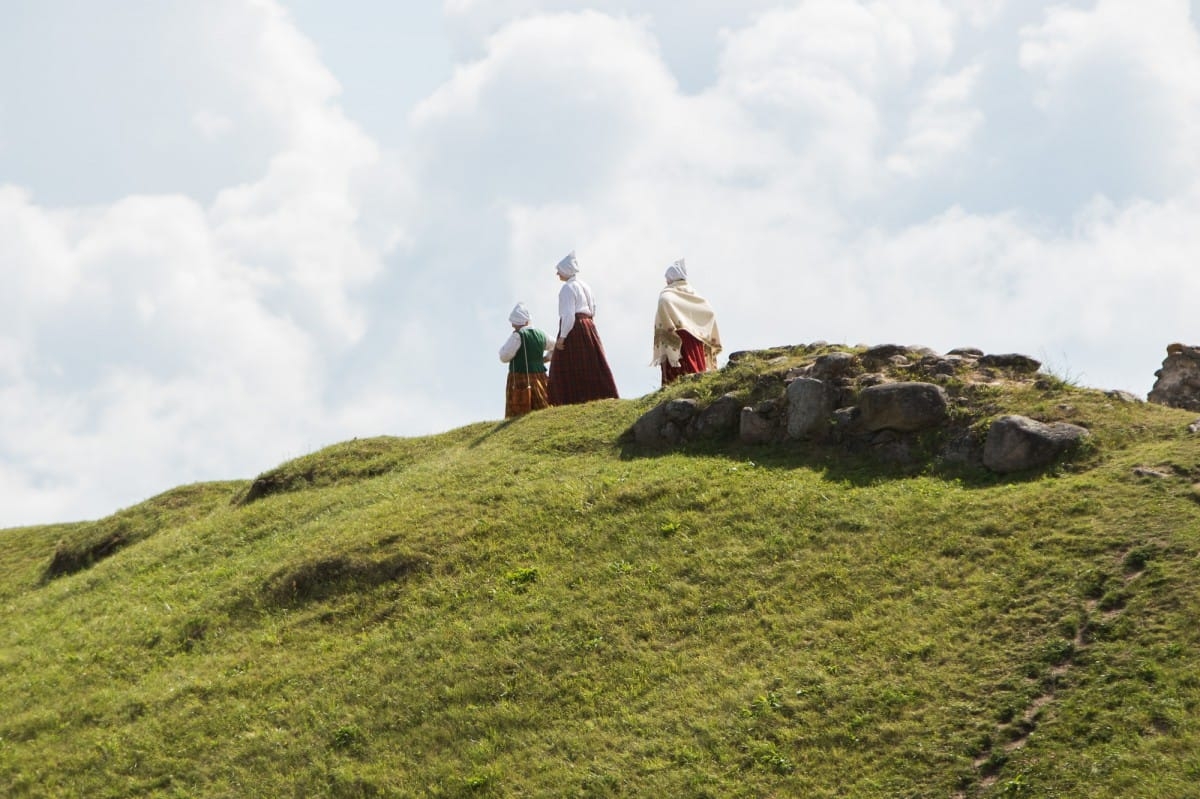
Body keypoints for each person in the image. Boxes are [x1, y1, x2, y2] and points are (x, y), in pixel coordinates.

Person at [547, 251, 619, 405]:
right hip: (588, 324)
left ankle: (568, 399)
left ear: (566, 271)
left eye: (559, 270)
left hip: (575, 328)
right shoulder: (585, 285)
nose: (557, 274)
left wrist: (562, 337)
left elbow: (568, 315)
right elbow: (593, 308)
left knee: (563, 366)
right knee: (593, 362)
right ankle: (600, 394)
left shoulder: (567, 288)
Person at [651, 258, 722, 386]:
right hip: (695, 339)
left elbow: (663, 305)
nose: (666, 281)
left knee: (679, 376)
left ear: (671, 278)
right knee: (696, 372)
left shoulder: (666, 295)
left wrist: (672, 327)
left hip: (677, 339)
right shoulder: (695, 295)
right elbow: (709, 312)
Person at [499, 302, 552, 418]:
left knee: (518, 410)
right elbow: (556, 347)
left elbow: (504, 356)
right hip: (540, 377)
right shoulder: (541, 334)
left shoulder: (517, 336)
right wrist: (546, 358)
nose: (513, 326)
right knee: (542, 406)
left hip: (520, 377)